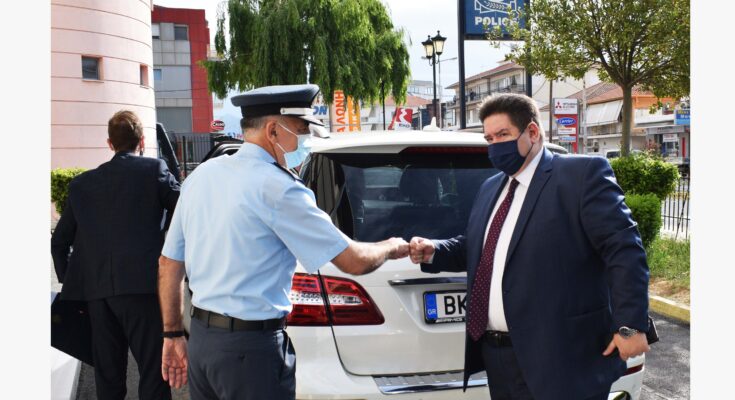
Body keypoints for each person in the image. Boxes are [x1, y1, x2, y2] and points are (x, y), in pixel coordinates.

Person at [157, 84, 409, 400]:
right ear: (273, 130)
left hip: (204, 343)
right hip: (251, 352)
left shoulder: (201, 176)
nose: (306, 140)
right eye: (302, 130)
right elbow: (353, 261)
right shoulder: (279, 187)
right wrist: (393, 246)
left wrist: (172, 334)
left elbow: (168, 264)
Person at [408, 93, 650, 400]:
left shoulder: (580, 176)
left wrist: (630, 326)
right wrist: (436, 249)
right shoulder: (491, 188)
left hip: (562, 359)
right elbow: (481, 245)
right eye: (489, 139)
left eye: (503, 135)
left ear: (532, 132)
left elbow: (624, 249)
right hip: (499, 357)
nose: (495, 146)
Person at [51, 110, 180, 400]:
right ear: (142, 141)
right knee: (153, 372)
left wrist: (74, 285)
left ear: (110, 143)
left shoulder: (81, 184)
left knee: (108, 377)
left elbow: (58, 243)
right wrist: (167, 242)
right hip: (144, 289)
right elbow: (185, 209)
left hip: (97, 295)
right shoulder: (154, 170)